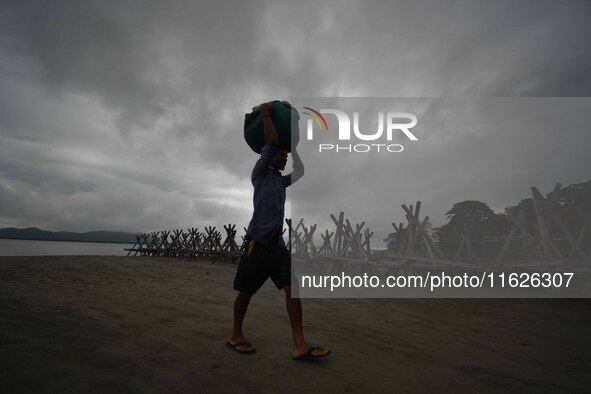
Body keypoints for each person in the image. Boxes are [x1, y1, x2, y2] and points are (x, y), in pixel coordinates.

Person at [226, 102, 331, 360]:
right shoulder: (260, 174)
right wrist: (265, 114)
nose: (283, 158)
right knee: (246, 291)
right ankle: (235, 334)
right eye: (280, 155)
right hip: (257, 243)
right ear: (268, 157)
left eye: (284, 156)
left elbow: (302, 171)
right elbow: (271, 142)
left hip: (277, 247)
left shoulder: (281, 183)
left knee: (292, 288)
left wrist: (293, 148)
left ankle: (299, 344)